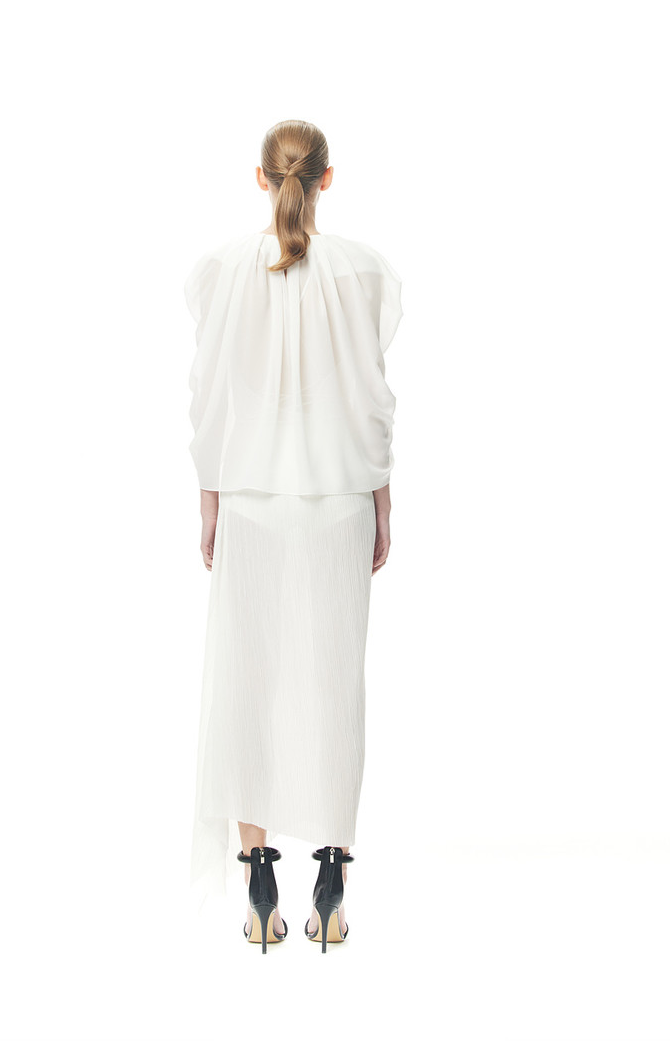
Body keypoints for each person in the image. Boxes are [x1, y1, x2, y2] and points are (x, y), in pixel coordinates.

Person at [185, 119, 404, 952]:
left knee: (249, 682)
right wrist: (382, 495)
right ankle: (332, 886)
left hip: (249, 497)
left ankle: (258, 883)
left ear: (260, 178)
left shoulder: (220, 271)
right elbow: (372, 397)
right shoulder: (365, 271)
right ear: (327, 178)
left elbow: (209, 393)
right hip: (338, 497)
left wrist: (208, 494)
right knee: (334, 684)